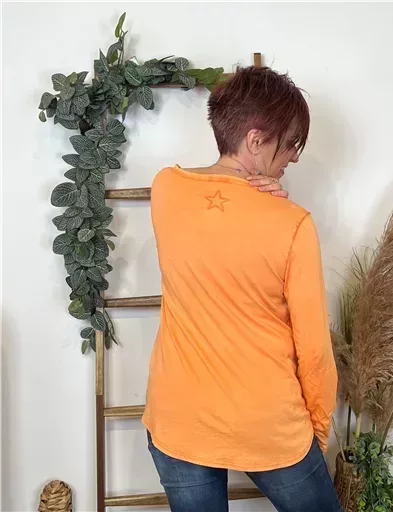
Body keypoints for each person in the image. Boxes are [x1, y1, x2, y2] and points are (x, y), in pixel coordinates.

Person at [142, 66, 341, 512]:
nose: (293, 157)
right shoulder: (293, 224)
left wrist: (244, 187)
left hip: (179, 417)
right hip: (268, 423)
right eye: (290, 143)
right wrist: (315, 430)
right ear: (255, 140)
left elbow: (214, 203)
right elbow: (314, 350)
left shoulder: (165, 188)